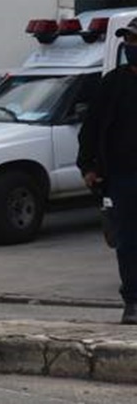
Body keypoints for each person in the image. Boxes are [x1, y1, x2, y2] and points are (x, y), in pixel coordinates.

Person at [77, 17, 137, 325]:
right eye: (128, 42)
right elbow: (91, 128)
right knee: (127, 242)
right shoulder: (112, 83)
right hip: (123, 178)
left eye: (135, 42)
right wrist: (87, 166)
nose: (130, 47)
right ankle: (133, 302)